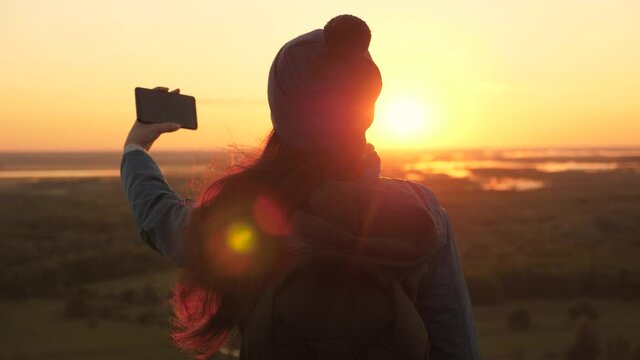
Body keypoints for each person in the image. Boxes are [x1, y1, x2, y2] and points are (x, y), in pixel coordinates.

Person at [121, 14, 481, 360]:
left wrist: (135, 149)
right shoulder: (420, 213)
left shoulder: (246, 217)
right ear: (366, 106)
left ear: (281, 108)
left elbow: (158, 218)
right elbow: (456, 344)